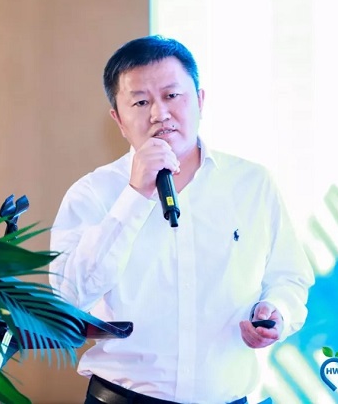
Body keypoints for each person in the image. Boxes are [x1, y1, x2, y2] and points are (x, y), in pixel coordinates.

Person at [49, 35, 315, 404]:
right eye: (140, 102)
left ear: (200, 100)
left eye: (172, 95)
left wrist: (277, 312)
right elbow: (67, 298)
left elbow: (289, 278)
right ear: (119, 120)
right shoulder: (93, 193)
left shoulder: (252, 184)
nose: (159, 114)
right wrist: (134, 196)